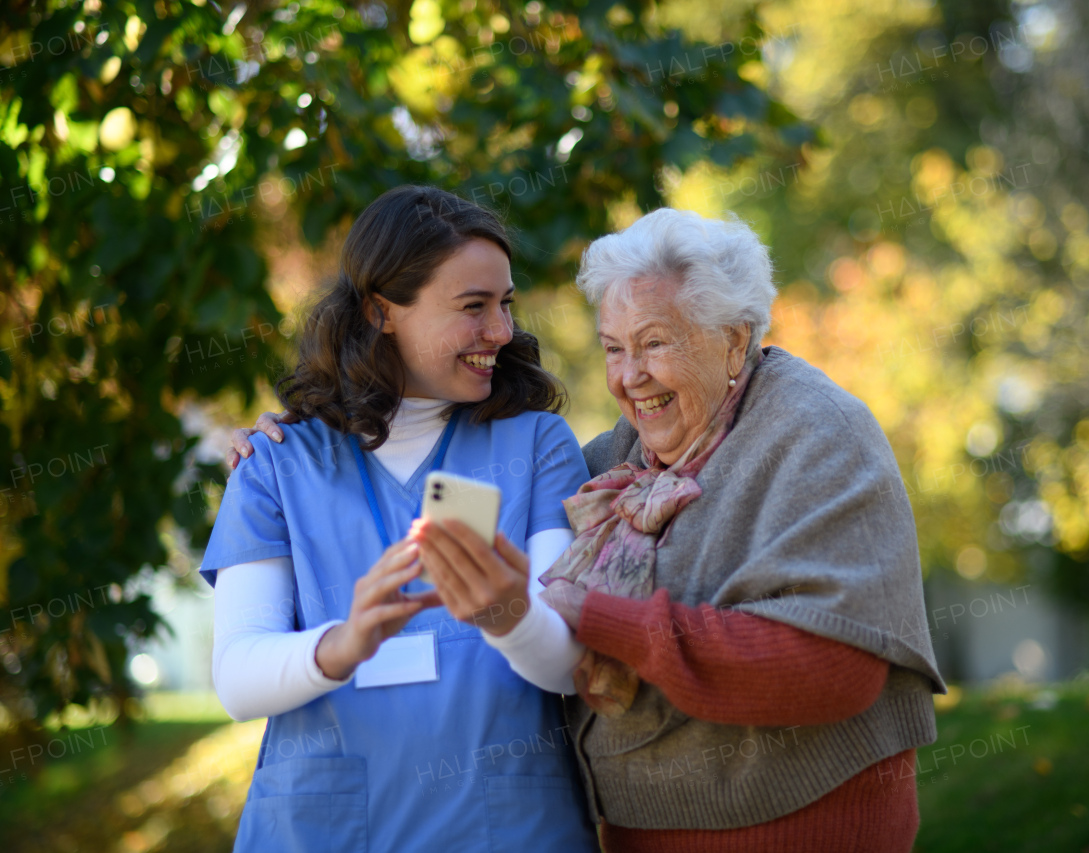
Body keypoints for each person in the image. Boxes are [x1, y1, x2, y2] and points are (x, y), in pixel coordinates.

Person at [234, 207, 946, 852]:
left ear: (735, 341)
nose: (631, 377)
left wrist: (580, 613)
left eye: (655, 343)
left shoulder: (815, 433)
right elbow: (239, 668)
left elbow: (833, 667)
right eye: (613, 348)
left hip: (798, 826)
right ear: (379, 312)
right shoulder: (615, 459)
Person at [206, 185, 598, 853]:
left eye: (505, 304)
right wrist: (346, 641)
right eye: (472, 307)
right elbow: (238, 678)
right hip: (321, 831)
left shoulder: (537, 443)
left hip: (505, 829)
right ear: (380, 311)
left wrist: (508, 611)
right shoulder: (274, 461)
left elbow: (572, 664)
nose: (501, 331)